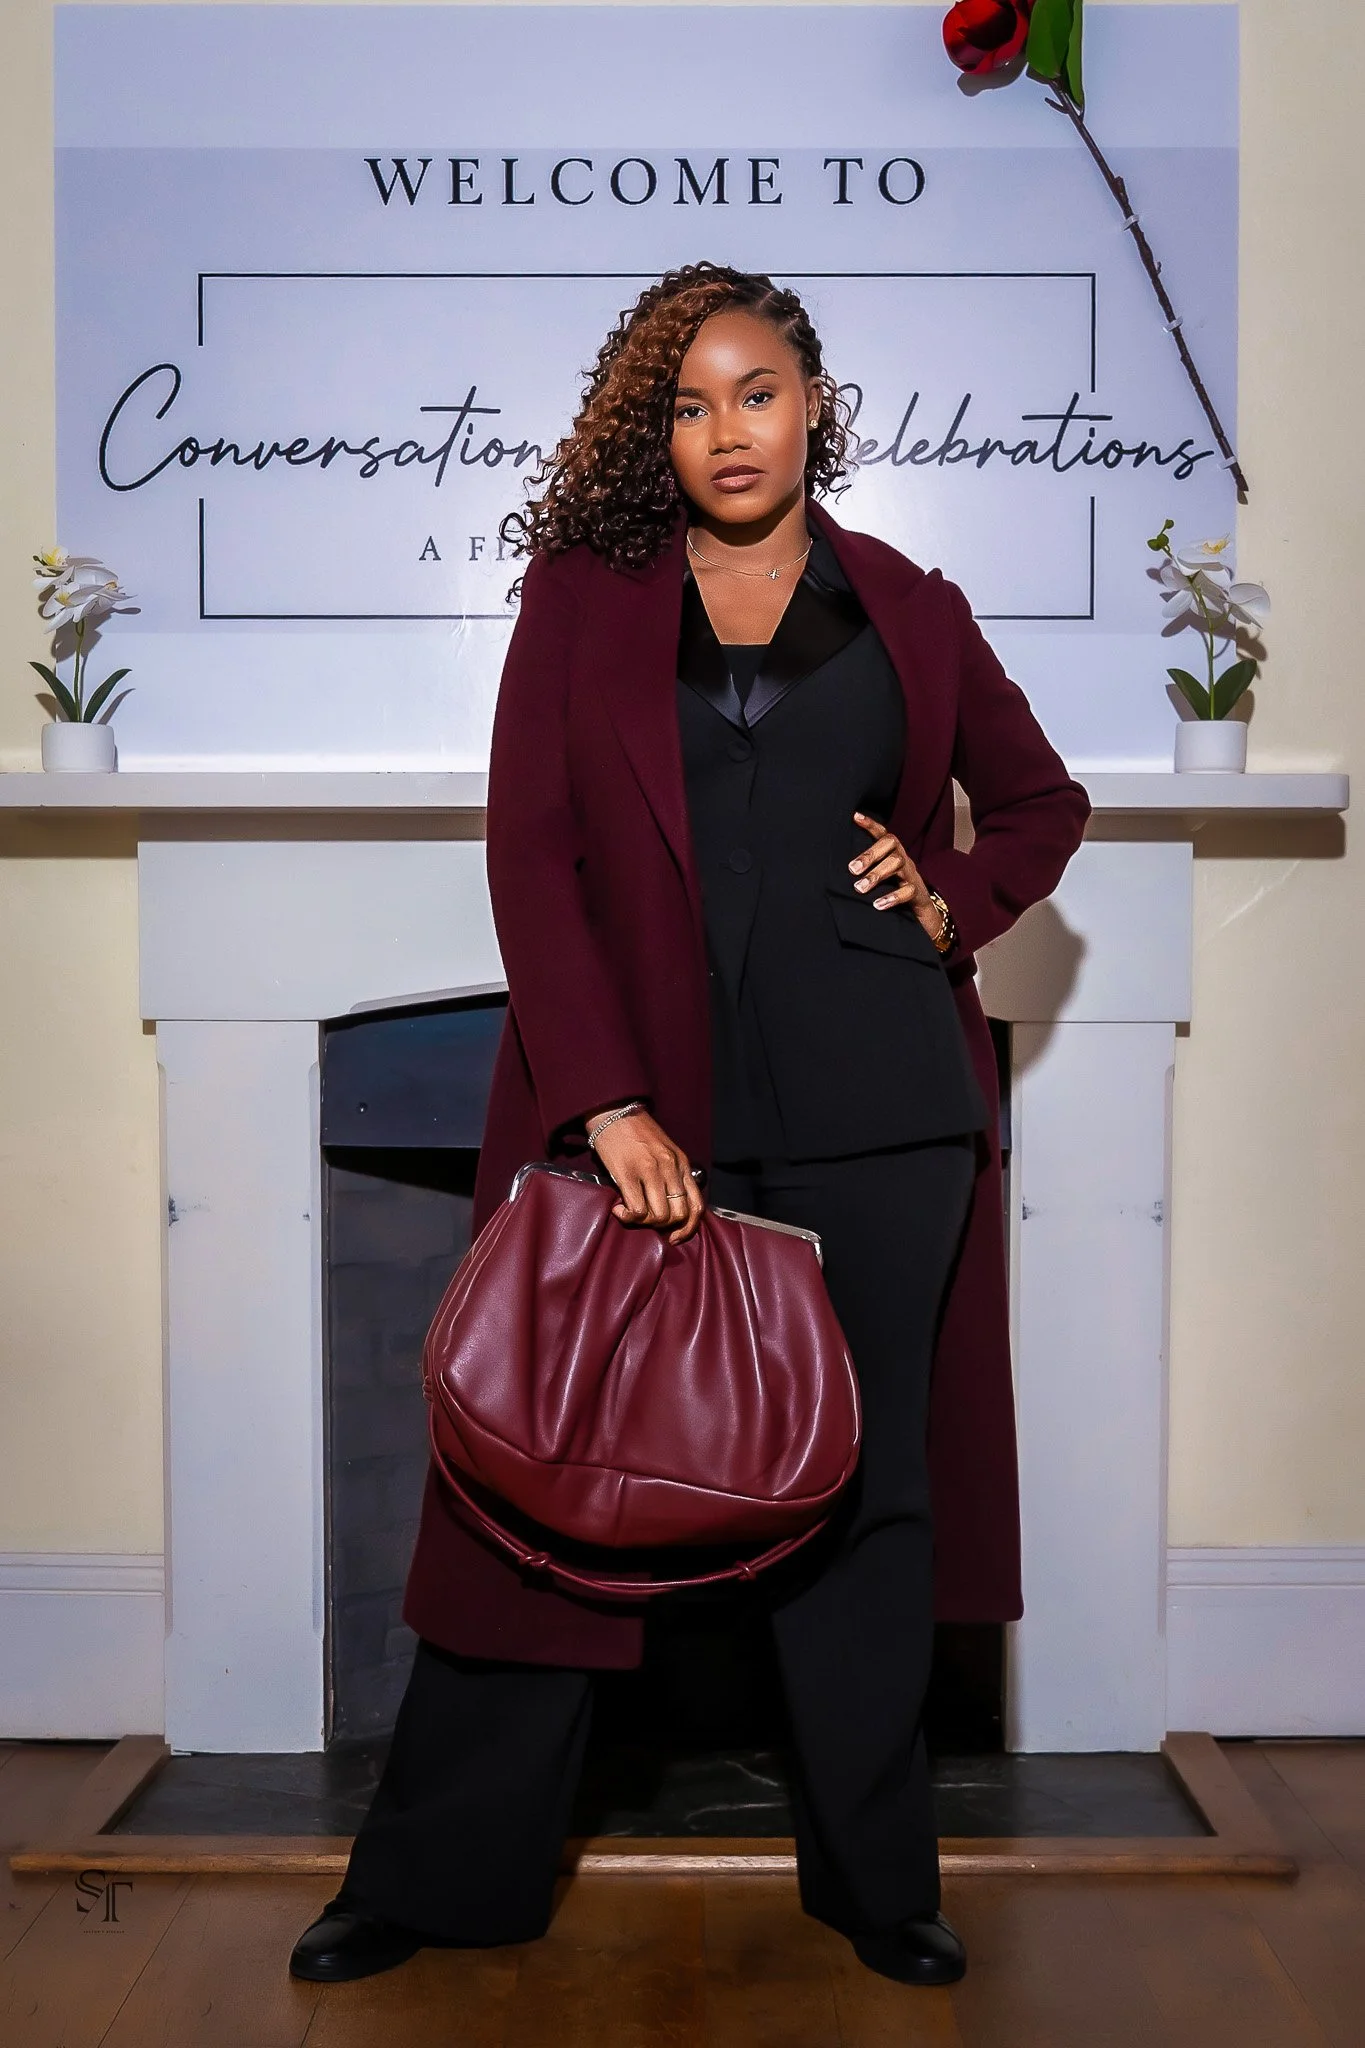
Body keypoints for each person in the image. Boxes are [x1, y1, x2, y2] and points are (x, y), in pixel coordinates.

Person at [290, 262, 1091, 1989]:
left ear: (815, 404)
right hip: (644, 1116)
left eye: (756, 391)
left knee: (867, 1499)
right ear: (651, 432)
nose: (725, 430)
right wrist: (605, 1097)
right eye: (686, 401)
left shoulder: (912, 607)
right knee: (545, 1487)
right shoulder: (584, 599)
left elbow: (1042, 801)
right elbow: (534, 857)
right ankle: (430, 1876)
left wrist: (954, 896)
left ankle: (880, 1884)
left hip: (881, 1115)